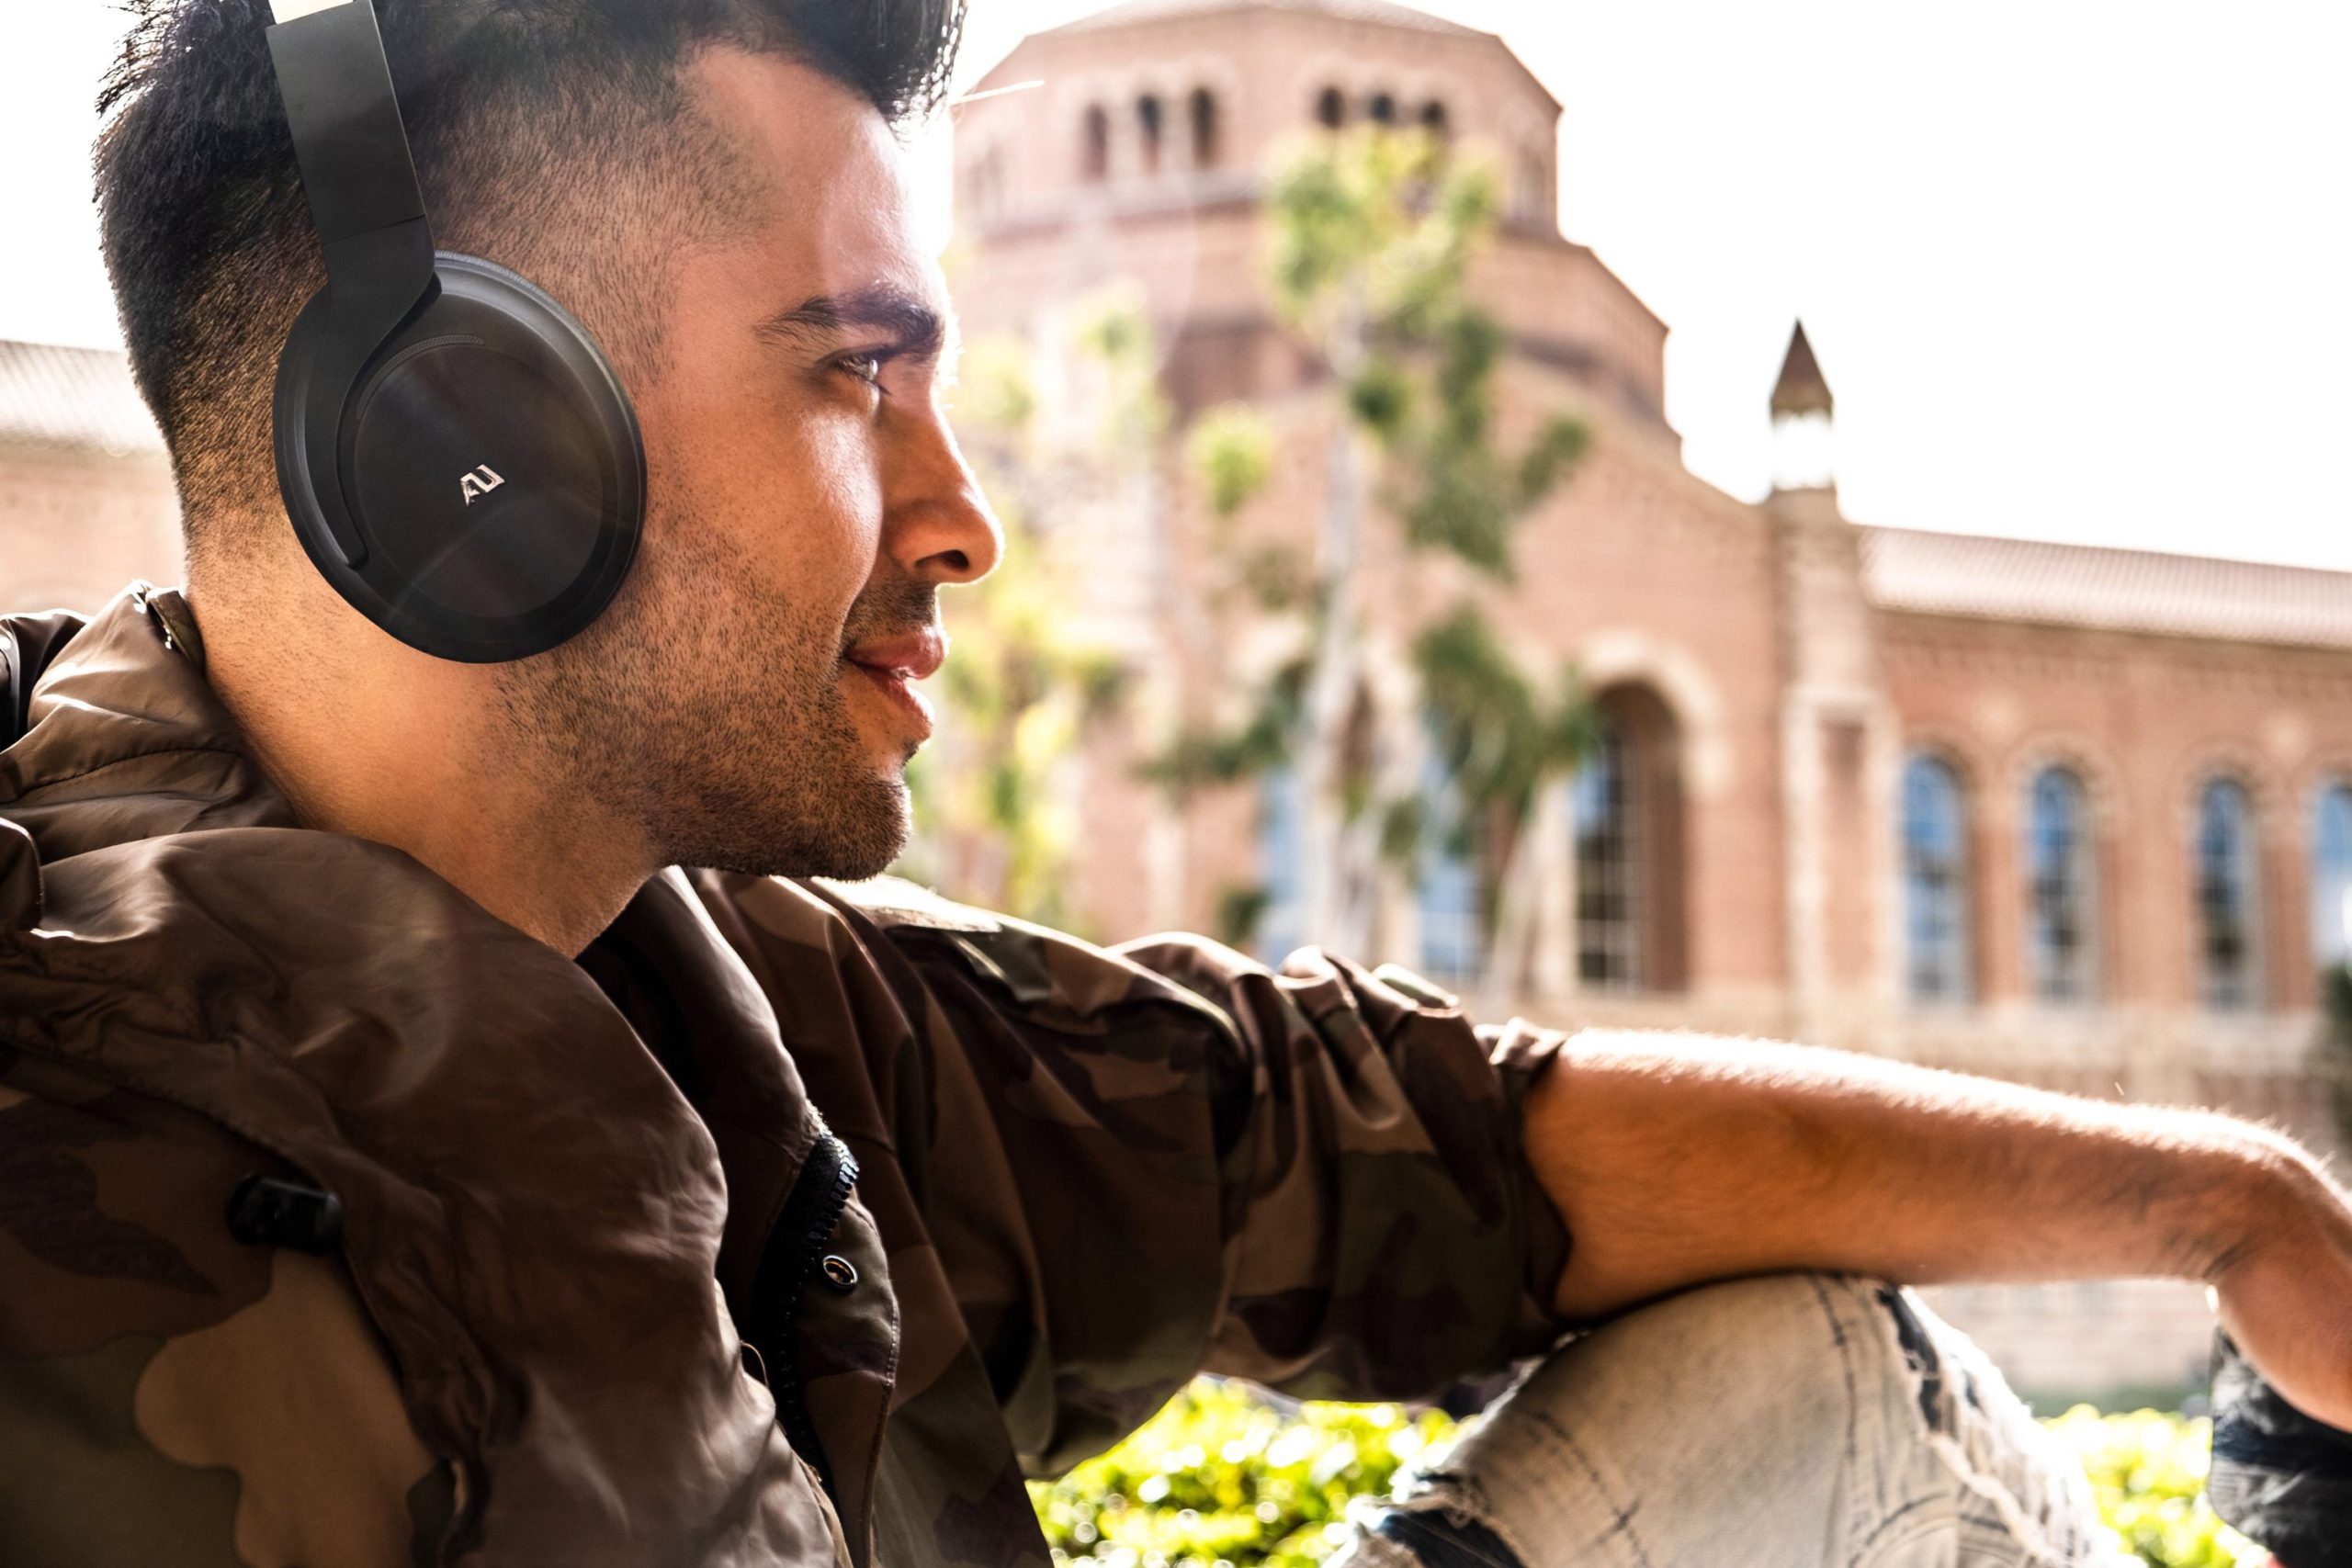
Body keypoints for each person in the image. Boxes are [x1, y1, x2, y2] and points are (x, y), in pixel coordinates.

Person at [0, 1, 2344, 1564]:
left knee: (1817, 1364)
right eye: (851, 377)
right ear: (463, 438)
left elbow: (1375, 1129)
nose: (963, 517)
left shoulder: (734, 989)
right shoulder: (76, 1147)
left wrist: (2231, 1208)